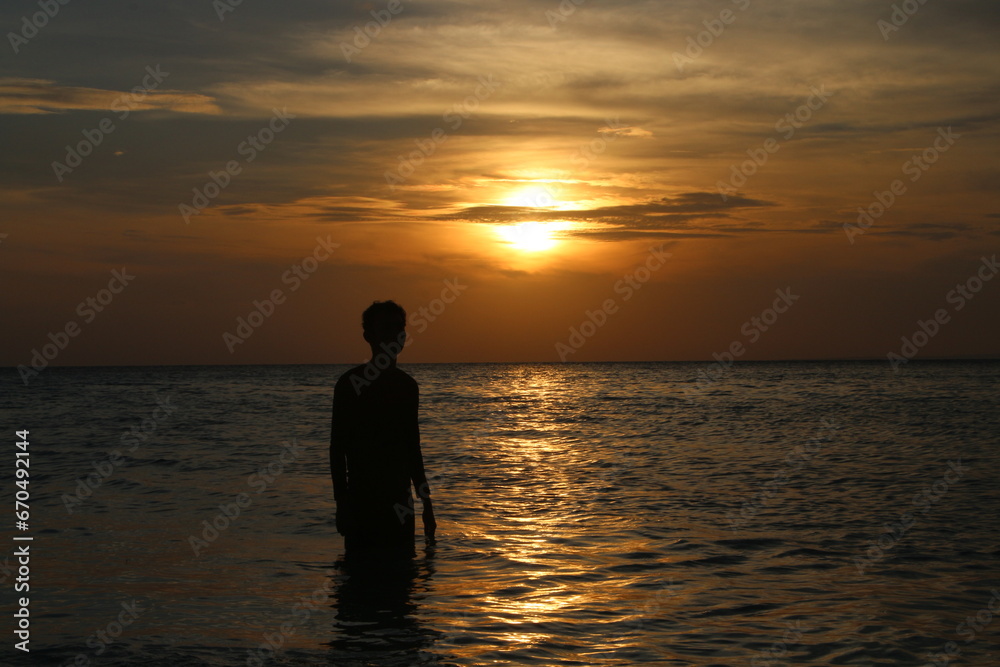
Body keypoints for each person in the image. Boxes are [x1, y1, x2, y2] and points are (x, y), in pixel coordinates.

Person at [330, 300, 436, 559]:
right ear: (369, 336)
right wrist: (342, 504)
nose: (393, 334)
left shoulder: (408, 387)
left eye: (398, 328)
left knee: (402, 584)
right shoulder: (350, 384)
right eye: (385, 328)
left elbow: (413, 448)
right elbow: (337, 449)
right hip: (361, 504)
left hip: (400, 504)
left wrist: (427, 503)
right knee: (358, 584)